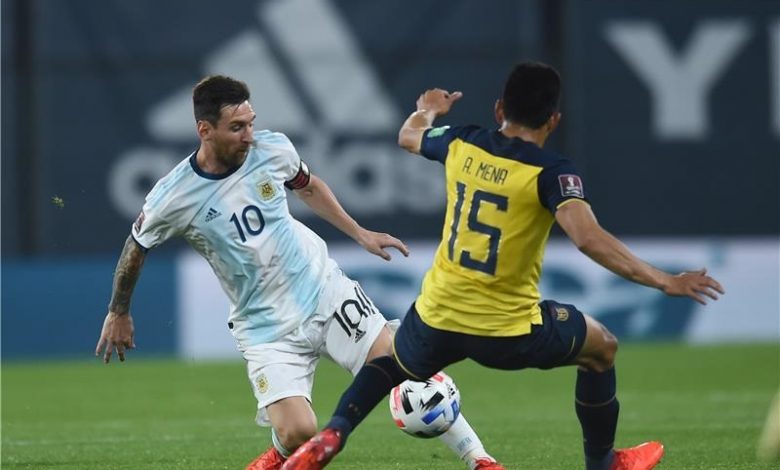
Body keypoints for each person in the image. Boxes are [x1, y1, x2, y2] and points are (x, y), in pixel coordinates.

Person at [282, 62, 726, 470]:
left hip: (437, 315)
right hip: (507, 331)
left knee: (391, 362)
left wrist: (427, 109)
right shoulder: (552, 171)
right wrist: (665, 281)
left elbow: (409, 135)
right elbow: (588, 238)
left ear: (499, 110)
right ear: (554, 120)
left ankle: (334, 432)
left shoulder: (462, 142)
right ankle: (603, 463)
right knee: (601, 348)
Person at [94, 75, 504, 470]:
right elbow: (136, 246)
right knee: (299, 432)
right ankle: (281, 451)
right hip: (265, 325)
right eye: (236, 127)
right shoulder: (174, 195)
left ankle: (481, 459)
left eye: (250, 123)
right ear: (205, 130)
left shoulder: (272, 148)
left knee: (408, 373)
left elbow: (308, 186)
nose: (249, 135)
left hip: (324, 289)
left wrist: (360, 233)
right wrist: (119, 311)